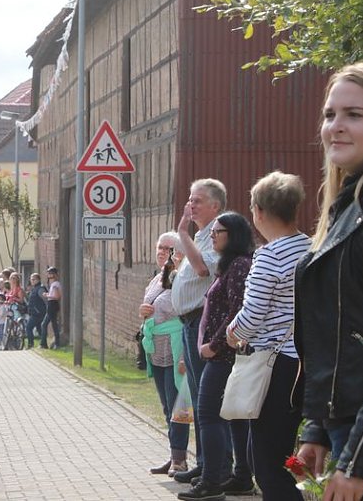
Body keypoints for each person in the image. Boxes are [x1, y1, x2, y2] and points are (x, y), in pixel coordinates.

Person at [293, 61, 363, 501]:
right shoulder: (351, 205)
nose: (335, 126)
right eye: (330, 114)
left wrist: (356, 460)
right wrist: (317, 425)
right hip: (354, 430)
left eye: (355, 115)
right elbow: (338, 332)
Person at [226, 171, 310, 500]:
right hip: (305, 361)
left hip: (276, 366)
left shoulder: (269, 257)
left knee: (266, 463)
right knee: (275, 453)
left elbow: (252, 314)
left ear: (258, 211)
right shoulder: (312, 246)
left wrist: (233, 333)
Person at [178, 212, 255, 501]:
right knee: (234, 417)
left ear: (233, 234)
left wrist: (216, 344)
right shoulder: (230, 265)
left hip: (224, 356)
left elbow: (238, 311)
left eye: (218, 231)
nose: (213, 235)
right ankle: (242, 477)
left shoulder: (239, 266)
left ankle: (212, 481)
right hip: (224, 355)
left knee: (209, 414)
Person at [171, 178, 227, 484]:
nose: (191, 205)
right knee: (196, 395)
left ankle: (216, 467)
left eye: (198, 201)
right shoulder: (202, 235)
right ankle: (204, 462)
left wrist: (181, 233)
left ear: (215, 206)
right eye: (190, 200)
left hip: (201, 323)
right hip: (188, 324)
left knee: (207, 400)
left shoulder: (217, 235)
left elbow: (204, 269)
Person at [140, 232, 189, 477]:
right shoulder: (156, 279)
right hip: (157, 348)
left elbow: (183, 311)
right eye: (159, 247)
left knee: (177, 405)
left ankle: (180, 459)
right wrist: (143, 311)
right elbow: (148, 307)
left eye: (167, 248)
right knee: (165, 405)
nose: (162, 252)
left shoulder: (183, 278)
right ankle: (173, 454)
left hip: (176, 346)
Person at [40, 266, 62, 349]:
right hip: (51, 304)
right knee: (52, 324)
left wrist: (47, 295)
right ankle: (55, 343)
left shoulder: (55, 284)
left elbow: (57, 296)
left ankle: (44, 343)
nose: (49, 276)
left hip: (53, 304)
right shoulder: (53, 284)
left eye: (51, 274)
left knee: (46, 324)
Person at [25, 273, 47, 349]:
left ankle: (30, 344)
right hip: (35, 312)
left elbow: (45, 300)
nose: (32, 281)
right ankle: (43, 343)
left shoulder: (40, 289)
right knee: (39, 329)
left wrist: (47, 309)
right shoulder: (34, 288)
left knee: (28, 327)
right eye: (31, 279)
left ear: (38, 280)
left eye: (34, 279)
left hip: (38, 313)